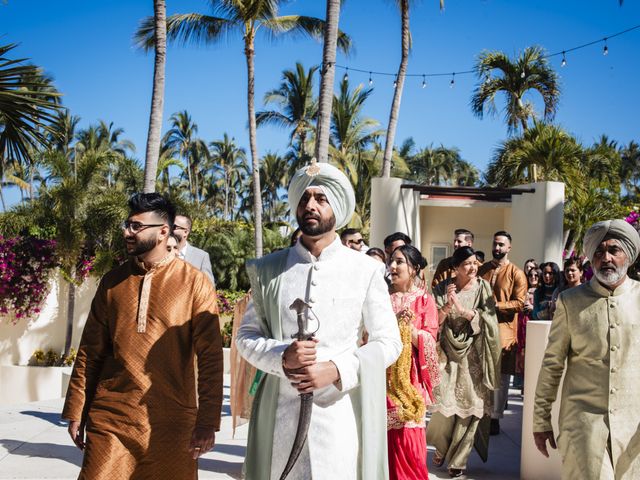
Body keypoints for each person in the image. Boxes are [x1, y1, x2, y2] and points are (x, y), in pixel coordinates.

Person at [236, 162, 402, 480]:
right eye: (304, 198)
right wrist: (281, 356)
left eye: (320, 198)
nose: (310, 205)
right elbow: (246, 335)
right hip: (279, 420)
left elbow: (388, 342)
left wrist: (336, 370)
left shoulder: (364, 270)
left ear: (337, 207)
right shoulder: (269, 270)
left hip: (340, 420)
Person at [62, 193, 223, 479]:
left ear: (163, 231)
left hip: (172, 421)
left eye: (136, 226)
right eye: (127, 224)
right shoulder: (112, 282)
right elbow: (90, 350)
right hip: (111, 417)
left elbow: (210, 357)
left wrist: (207, 422)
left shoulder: (194, 283)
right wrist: (77, 408)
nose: (127, 231)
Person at [533, 219, 640, 479]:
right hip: (582, 426)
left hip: (633, 426)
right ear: (591, 259)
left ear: (629, 254)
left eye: (614, 250)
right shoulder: (571, 301)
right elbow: (552, 364)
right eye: (599, 252)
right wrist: (540, 420)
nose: (606, 258)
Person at [428, 247, 501, 478]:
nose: (473, 267)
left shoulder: (483, 287)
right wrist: (449, 305)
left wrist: (463, 311)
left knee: (472, 409)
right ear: (455, 267)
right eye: (467, 263)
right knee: (444, 407)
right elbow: (433, 322)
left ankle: (458, 462)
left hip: (476, 355)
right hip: (447, 355)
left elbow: (490, 320)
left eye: (474, 263)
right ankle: (441, 446)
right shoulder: (442, 288)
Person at [386, 245, 440, 480]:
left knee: (409, 440)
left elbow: (430, 339)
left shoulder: (425, 301)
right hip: (383, 376)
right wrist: (392, 322)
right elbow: (367, 335)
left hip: (411, 379)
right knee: (386, 438)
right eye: (391, 261)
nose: (393, 267)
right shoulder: (381, 297)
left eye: (399, 261)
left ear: (414, 268)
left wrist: (408, 328)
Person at [478, 231, 527, 435]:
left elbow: (520, 302)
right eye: (495, 244)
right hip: (480, 329)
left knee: (500, 376)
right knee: (480, 372)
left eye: (501, 245)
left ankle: (495, 417)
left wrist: (496, 306)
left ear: (509, 248)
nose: (497, 248)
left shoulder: (516, 273)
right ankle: (481, 413)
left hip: (503, 332)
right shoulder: (483, 269)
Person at [515, 266, 541, 389]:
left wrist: (533, 308)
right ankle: (523, 385)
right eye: (530, 275)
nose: (533, 277)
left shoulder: (541, 291)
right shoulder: (524, 289)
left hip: (534, 323)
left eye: (536, 275)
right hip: (522, 323)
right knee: (522, 355)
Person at [173, 214, 215, 286]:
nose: (169, 229)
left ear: (185, 232)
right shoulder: (160, 253)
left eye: (174, 227)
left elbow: (209, 287)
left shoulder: (201, 256)